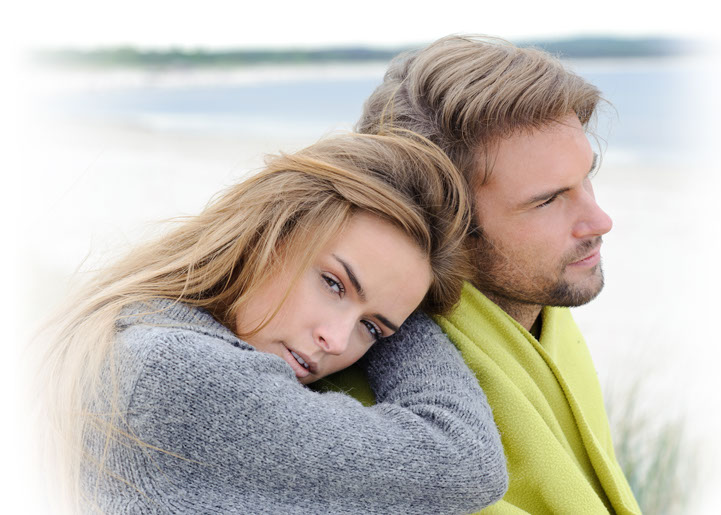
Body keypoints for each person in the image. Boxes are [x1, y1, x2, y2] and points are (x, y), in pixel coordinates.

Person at [38, 131, 508, 514]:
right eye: (333, 283)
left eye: (374, 330)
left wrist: (397, 293)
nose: (336, 339)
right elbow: (464, 460)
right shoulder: (178, 374)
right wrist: (403, 309)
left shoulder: (134, 332)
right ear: (267, 232)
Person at [324, 35, 643, 514]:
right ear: (443, 223)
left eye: (587, 175)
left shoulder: (540, 307)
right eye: (547, 200)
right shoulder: (370, 411)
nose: (600, 221)